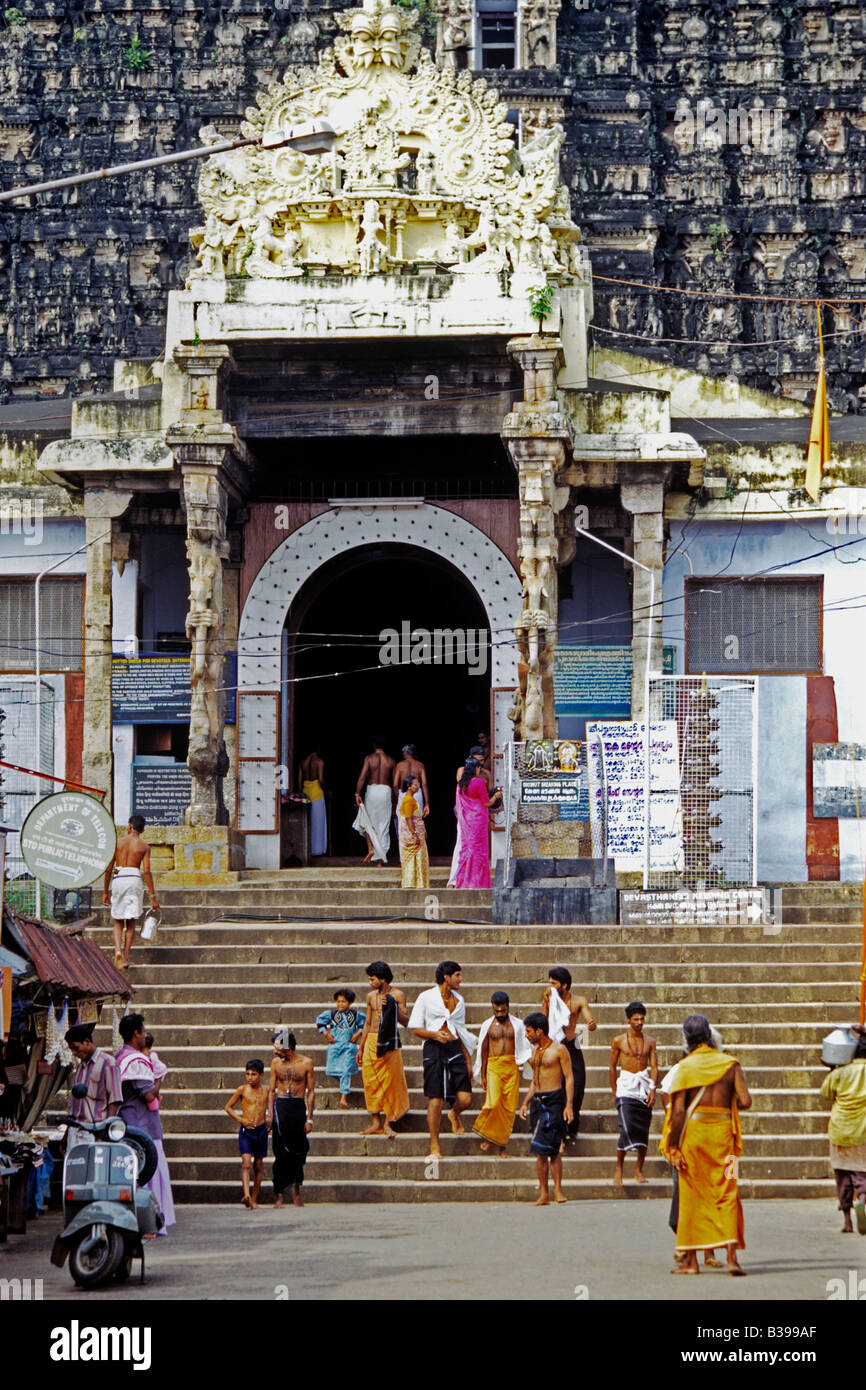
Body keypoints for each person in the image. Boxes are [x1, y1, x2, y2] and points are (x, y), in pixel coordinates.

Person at [660, 1013, 751, 1275]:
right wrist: (726, 1100)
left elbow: (677, 1114)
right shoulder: (730, 1064)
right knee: (728, 1192)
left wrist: (673, 1147)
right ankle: (732, 1257)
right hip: (725, 1139)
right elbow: (745, 1101)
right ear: (710, 1036)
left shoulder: (685, 1067)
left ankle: (690, 1261)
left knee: (691, 1195)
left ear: (687, 1039)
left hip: (694, 1138)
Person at [660, 1026, 724, 1269]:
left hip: (702, 1140)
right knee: (687, 1198)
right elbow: (667, 1094)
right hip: (693, 1140)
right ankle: (687, 1250)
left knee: (703, 1197)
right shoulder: (683, 1068)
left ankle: (708, 1253)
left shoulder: (721, 1067)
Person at [409, 961, 476, 1160]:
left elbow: (461, 1032)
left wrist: (468, 1061)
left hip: (455, 1047)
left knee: (465, 1098)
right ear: (446, 977)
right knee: (435, 1099)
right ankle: (434, 1145)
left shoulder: (459, 1000)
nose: (460, 979)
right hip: (434, 1048)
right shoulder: (426, 997)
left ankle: (454, 1114)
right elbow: (415, 1028)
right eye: (457, 975)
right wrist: (434, 1035)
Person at [116, 1012, 175, 1233]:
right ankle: (150, 1223)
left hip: (132, 1123)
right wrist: (159, 1079)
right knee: (149, 1172)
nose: (145, 1035)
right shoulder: (135, 1060)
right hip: (142, 1126)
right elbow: (149, 1095)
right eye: (143, 1030)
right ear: (136, 1034)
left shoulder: (121, 1056)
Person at [520, 1012, 574, 1205]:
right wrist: (526, 1102)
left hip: (554, 1101)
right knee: (539, 1151)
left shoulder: (559, 1050)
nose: (526, 1035)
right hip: (537, 1103)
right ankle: (544, 1193)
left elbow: (569, 1077)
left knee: (554, 1150)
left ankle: (558, 1190)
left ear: (539, 1031)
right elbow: (535, 1082)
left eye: (528, 1031)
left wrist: (568, 1105)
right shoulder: (535, 1053)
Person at [820, 1024, 866, 1235]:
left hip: (840, 1130)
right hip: (863, 1132)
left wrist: (832, 1069)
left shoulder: (839, 1073)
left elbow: (827, 1094)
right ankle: (863, 1202)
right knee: (861, 1173)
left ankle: (847, 1219)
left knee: (842, 1175)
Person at [355, 961, 410, 1138]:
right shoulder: (370, 996)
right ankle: (376, 1123)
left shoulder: (398, 994)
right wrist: (361, 1048)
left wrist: (392, 1005)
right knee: (370, 1082)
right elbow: (368, 1023)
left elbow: (406, 1021)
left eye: (372, 979)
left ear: (383, 979)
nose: (370, 983)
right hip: (371, 1041)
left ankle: (388, 1122)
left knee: (391, 1083)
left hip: (389, 1043)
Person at [542, 966, 596, 1141]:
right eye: (549, 982)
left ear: (564, 985)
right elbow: (543, 1021)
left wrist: (591, 1023)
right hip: (555, 1045)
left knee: (578, 1086)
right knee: (557, 1087)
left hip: (572, 1045)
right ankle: (556, 1128)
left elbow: (589, 1017)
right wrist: (545, 1003)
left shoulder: (579, 1000)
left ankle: (571, 1127)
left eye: (553, 983)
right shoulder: (549, 998)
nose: (550, 985)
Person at [473, 991, 530, 1155]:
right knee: (493, 1102)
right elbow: (483, 1050)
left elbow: (525, 1046)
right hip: (494, 1066)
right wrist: (483, 1074)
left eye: (502, 1011)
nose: (499, 1014)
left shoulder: (518, 1025)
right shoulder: (487, 1025)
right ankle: (487, 1134)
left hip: (511, 1067)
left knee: (509, 1108)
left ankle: (502, 1146)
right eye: (496, 1011)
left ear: (508, 1007)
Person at [102, 814, 160, 971]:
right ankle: (126, 957)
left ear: (129, 826)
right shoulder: (144, 847)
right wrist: (153, 896)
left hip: (119, 878)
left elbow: (108, 869)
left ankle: (118, 951)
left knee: (118, 920)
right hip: (134, 879)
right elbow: (147, 872)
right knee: (131, 921)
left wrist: (105, 891)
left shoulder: (117, 843)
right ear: (142, 830)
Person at [610, 1000, 658, 1185]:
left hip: (643, 1086)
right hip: (626, 1086)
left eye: (642, 1019)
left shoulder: (650, 1041)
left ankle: (639, 1169)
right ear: (628, 1020)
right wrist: (615, 1091)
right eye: (635, 1019)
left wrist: (653, 1088)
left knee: (643, 1130)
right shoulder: (619, 1041)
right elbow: (612, 1067)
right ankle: (619, 1167)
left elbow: (654, 1066)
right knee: (625, 1127)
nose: (639, 1022)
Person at [266, 1028, 314, 1208]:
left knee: (298, 1151)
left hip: (297, 1107)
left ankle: (296, 1192)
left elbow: (311, 1092)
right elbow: (271, 1091)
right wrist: (269, 1114)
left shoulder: (306, 1063)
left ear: (288, 1047)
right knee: (280, 1152)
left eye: (278, 1048)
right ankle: (279, 1194)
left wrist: (309, 1118)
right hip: (281, 1108)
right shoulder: (275, 1063)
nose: (275, 1051)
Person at [225, 1059, 269, 1209]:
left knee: (258, 1165)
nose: (250, 1077)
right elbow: (228, 1107)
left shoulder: (267, 1090)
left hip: (261, 1130)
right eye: (248, 1074)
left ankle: (254, 1199)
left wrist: (269, 1120)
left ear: (261, 1075)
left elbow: (269, 1108)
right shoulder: (242, 1089)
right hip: (246, 1131)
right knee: (246, 1164)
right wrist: (241, 1119)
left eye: (254, 1074)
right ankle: (246, 1194)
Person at [452, 757, 501, 889]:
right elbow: (486, 802)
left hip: (467, 821)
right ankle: (478, 882)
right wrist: (496, 796)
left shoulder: (461, 785)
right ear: (476, 769)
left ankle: (464, 881)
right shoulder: (478, 782)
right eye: (479, 767)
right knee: (479, 851)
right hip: (478, 820)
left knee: (467, 849)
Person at [447, 744, 491, 886]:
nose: (480, 764)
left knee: (479, 849)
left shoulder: (486, 774)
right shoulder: (462, 771)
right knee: (463, 845)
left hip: (479, 817)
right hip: (466, 816)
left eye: (482, 761)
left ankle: (476, 880)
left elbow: (486, 796)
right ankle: (455, 879)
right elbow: (464, 790)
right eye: (477, 761)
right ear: (470, 760)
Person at [316, 989, 365, 1109]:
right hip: (335, 1046)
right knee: (334, 1071)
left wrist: (358, 1033)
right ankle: (344, 1084)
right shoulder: (332, 1015)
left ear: (350, 1003)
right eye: (338, 1002)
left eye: (344, 1002)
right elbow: (320, 1022)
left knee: (345, 1071)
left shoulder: (356, 1015)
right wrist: (326, 1033)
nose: (340, 1004)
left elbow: (365, 1024)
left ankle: (344, 1097)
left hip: (349, 1047)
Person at [65, 1022, 121, 1122]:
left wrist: (106, 1128)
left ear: (87, 1042)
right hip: (77, 1127)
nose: (73, 1053)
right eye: (71, 1050)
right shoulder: (80, 1067)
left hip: (96, 1129)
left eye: (75, 1048)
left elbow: (115, 1100)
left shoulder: (108, 1063)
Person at [353, 737, 395, 865]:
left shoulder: (369, 758)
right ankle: (380, 860)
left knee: (367, 821)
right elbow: (394, 784)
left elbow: (362, 777)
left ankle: (371, 849)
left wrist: (357, 793)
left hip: (372, 791)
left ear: (374, 745)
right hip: (385, 791)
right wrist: (395, 800)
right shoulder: (391, 761)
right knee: (383, 825)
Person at [397, 774, 430, 889]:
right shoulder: (408, 801)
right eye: (415, 784)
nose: (418, 787)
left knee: (418, 858)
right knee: (414, 858)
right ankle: (413, 883)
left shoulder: (411, 799)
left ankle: (418, 882)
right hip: (413, 835)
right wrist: (414, 834)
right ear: (408, 786)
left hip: (418, 834)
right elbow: (408, 818)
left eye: (418, 784)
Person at [298, 748, 327, 857]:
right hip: (317, 792)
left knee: (307, 822)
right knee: (318, 822)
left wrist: (301, 794)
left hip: (306, 792)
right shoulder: (319, 762)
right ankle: (318, 850)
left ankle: (307, 849)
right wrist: (326, 788)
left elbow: (299, 781)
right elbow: (320, 779)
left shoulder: (302, 762)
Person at [393, 744, 430, 819]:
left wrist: (398, 796)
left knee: (403, 821)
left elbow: (395, 785)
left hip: (403, 794)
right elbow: (424, 784)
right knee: (416, 822)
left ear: (404, 753)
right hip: (417, 793)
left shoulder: (399, 765)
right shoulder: (420, 765)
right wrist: (427, 804)